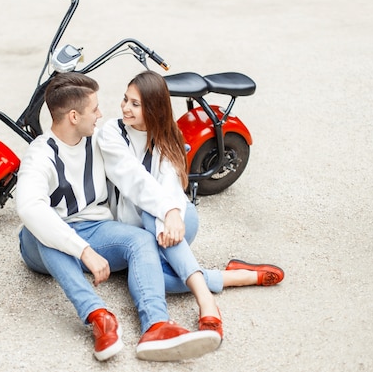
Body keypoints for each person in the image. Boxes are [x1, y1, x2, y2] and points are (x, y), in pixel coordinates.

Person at [16, 72, 222, 362]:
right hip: (46, 244)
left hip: (99, 228)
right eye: (94, 109)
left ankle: (156, 326)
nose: (102, 113)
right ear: (74, 116)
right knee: (43, 230)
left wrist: (170, 204)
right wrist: (83, 251)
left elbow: (137, 174)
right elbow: (29, 208)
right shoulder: (40, 155)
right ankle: (99, 317)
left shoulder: (101, 137)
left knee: (140, 240)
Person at [97, 70, 285, 340]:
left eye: (135, 104)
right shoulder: (112, 133)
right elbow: (133, 179)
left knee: (155, 227)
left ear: (154, 108)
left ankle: (206, 299)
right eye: (125, 99)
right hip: (136, 227)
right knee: (149, 277)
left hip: (175, 224)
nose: (125, 108)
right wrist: (168, 212)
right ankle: (225, 282)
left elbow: (171, 184)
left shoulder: (168, 135)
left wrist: (172, 213)